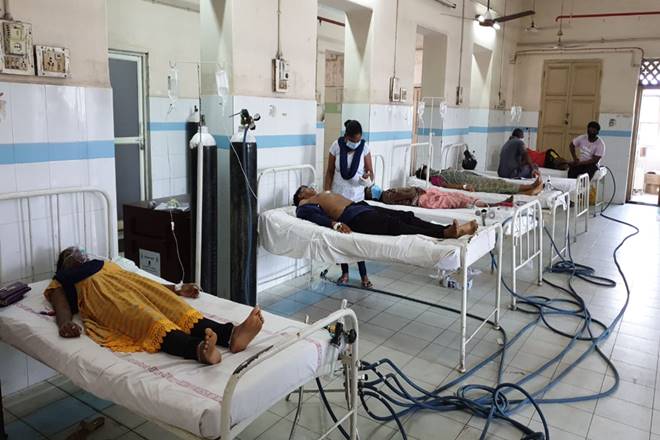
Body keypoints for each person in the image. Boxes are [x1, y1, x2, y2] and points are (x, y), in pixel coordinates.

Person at [46, 247, 264, 365]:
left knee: (176, 308)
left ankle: (231, 335)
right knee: (149, 321)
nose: (78, 255)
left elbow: (141, 280)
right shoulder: (63, 279)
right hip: (108, 301)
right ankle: (199, 350)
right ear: (64, 265)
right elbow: (61, 304)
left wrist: (176, 289)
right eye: (70, 254)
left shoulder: (105, 264)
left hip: (140, 290)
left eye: (79, 252)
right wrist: (65, 324)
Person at [293, 186, 478, 239]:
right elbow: (312, 216)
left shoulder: (317, 196)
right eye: (306, 187)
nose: (311, 187)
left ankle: (447, 229)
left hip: (361, 207)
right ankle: (444, 234)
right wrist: (334, 224)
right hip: (353, 217)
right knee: (395, 226)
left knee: (406, 216)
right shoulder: (304, 204)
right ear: (301, 194)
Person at [325, 119, 374, 288]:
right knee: (342, 236)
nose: (356, 143)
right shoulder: (336, 147)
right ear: (346, 137)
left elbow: (371, 175)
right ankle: (344, 273)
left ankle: (364, 275)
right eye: (353, 140)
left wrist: (367, 178)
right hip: (338, 199)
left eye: (358, 140)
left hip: (356, 198)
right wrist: (327, 194)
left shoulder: (364, 148)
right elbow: (330, 172)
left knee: (358, 237)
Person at [415, 166, 543, 195]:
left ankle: (530, 187)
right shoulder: (435, 179)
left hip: (471, 177)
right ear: (425, 175)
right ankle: (528, 191)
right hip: (471, 183)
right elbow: (447, 186)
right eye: (427, 170)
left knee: (499, 182)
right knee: (498, 186)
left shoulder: (440, 171)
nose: (430, 169)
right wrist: (464, 187)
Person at [365, 185, 514, 209]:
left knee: (458, 195)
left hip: (424, 193)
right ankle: (493, 205)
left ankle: (488, 203)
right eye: (372, 189)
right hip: (422, 200)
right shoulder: (386, 196)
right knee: (454, 200)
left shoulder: (386, 193)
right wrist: (418, 190)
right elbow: (407, 195)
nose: (375, 187)